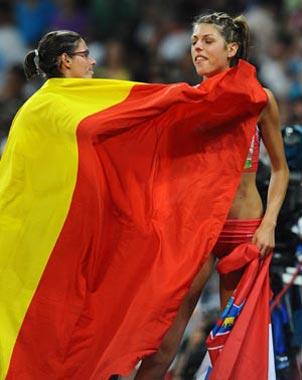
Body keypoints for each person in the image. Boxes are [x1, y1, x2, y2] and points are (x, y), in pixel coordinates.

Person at [0, 28, 267, 380]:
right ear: (66, 62)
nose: (93, 61)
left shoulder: (55, 103)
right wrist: (188, 98)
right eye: (85, 55)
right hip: (49, 242)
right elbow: (135, 111)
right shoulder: (54, 105)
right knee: (58, 332)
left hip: (59, 233)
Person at [134, 12, 289, 379]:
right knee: (165, 344)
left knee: (235, 345)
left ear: (231, 48)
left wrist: (268, 225)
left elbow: (281, 170)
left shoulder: (260, 100)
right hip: (200, 232)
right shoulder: (186, 102)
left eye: (207, 41)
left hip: (246, 232)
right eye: (193, 42)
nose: (197, 49)